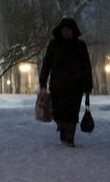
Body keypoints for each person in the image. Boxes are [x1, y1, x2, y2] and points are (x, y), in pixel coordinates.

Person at [39, 17, 93, 147]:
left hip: (76, 86)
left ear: (73, 31)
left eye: (69, 30)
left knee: (72, 113)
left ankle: (70, 138)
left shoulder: (80, 46)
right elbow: (47, 64)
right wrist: (43, 81)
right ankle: (63, 130)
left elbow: (86, 66)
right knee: (58, 112)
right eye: (64, 30)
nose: (66, 32)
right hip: (58, 85)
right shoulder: (54, 45)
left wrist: (88, 84)